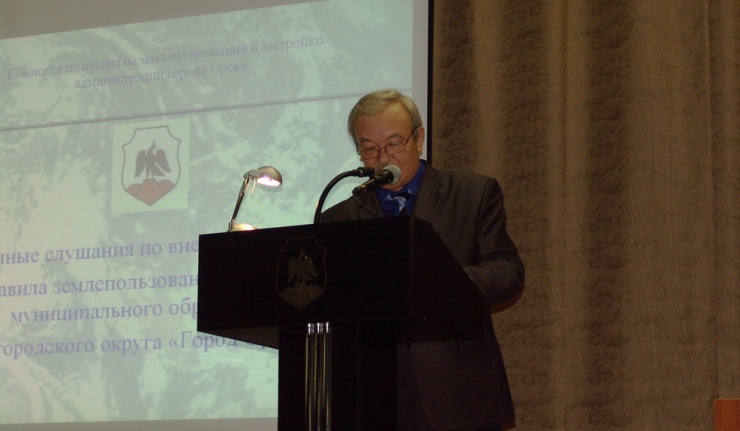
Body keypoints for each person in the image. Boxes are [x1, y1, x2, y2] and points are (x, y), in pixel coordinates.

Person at [321, 89, 525, 431]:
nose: (382, 158)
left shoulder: (472, 194)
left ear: (419, 138)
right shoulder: (338, 220)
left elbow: (507, 271)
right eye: (369, 148)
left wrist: (442, 280)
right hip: (371, 397)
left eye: (393, 143)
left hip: (458, 392)